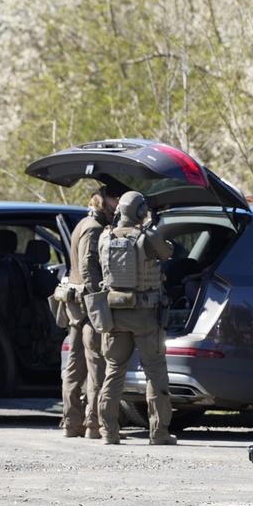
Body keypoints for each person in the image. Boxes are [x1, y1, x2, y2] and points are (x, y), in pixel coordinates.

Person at [96, 191, 176, 445]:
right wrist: (152, 227)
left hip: (114, 314)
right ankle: (159, 432)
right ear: (140, 211)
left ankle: (108, 431)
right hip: (145, 315)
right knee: (154, 372)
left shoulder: (104, 237)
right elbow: (167, 253)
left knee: (113, 371)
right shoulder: (147, 237)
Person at [60, 187, 119, 439]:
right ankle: (93, 425)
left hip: (75, 307)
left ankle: (71, 424)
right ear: (103, 201)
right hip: (88, 308)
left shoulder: (81, 224)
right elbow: (87, 268)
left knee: (74, 368)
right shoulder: (94, 228)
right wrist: (98, 299)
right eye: (114, 199)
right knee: (97, 366)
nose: (117, 204)